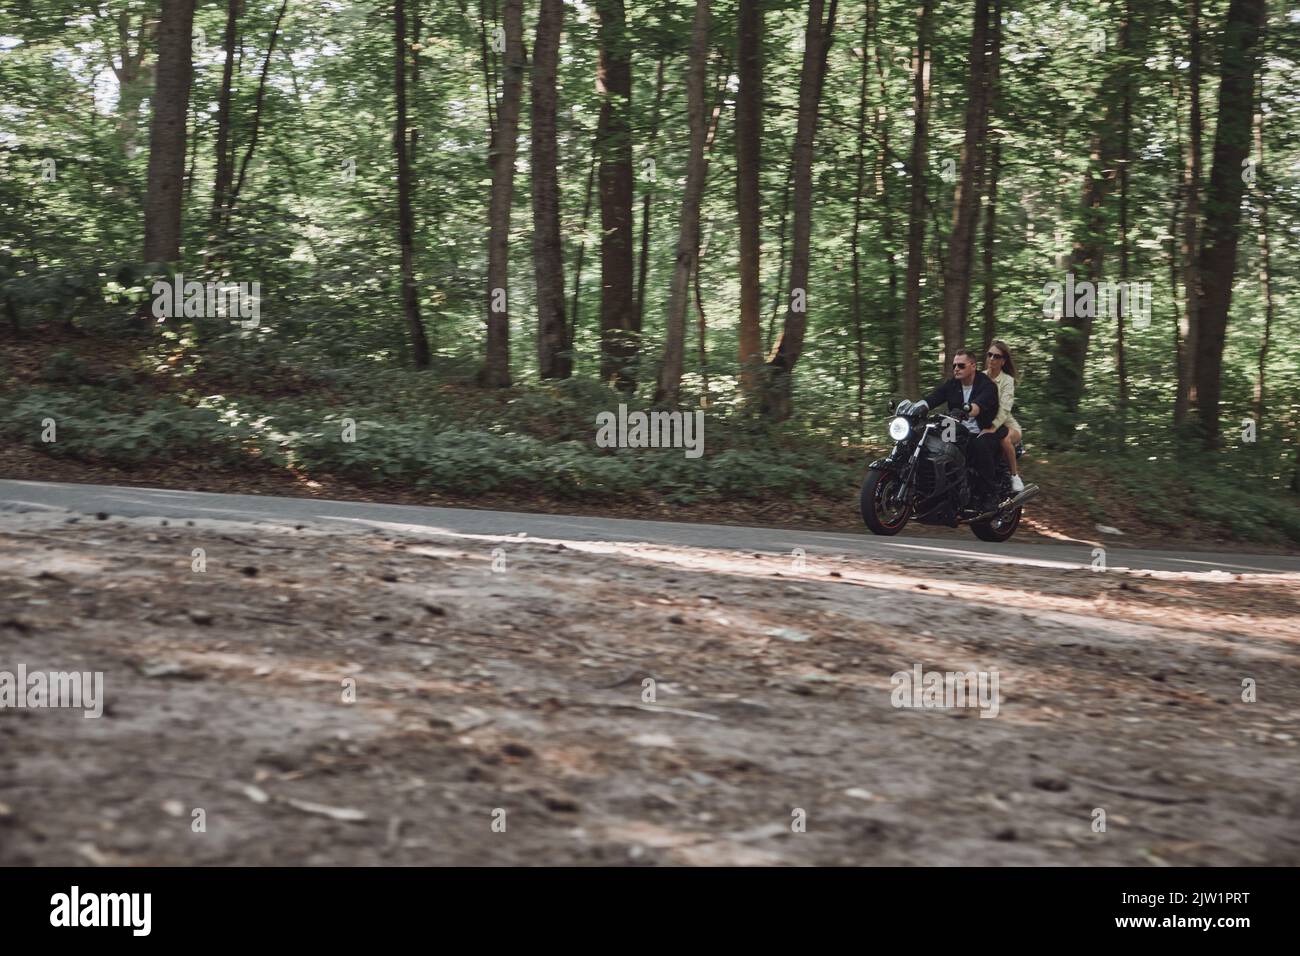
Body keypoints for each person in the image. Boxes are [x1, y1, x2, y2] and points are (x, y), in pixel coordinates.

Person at [914, 347, 1001, 512]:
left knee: (979, 447)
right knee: (936, 447)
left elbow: (978, 406)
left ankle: (991, 494)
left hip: (983, 429)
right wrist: (916, 407)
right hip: (955, 428)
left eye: (961, 366)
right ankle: (937, 491)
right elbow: (934, 397)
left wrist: (967, 409)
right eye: (954, 365)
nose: (956, 369)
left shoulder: (987, 385)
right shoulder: (952, 384)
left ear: (973, 366)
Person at [983, 340, 1024, 494]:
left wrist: (993, 427)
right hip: (985, 424)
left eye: (996, 356)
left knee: (1004, 439)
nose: (992, 359)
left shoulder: (1007, 381)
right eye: (990, 355)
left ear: (1003, 361)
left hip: (1007, 425)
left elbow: (1005, 409)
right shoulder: (980, 377)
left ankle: (1014, 476)